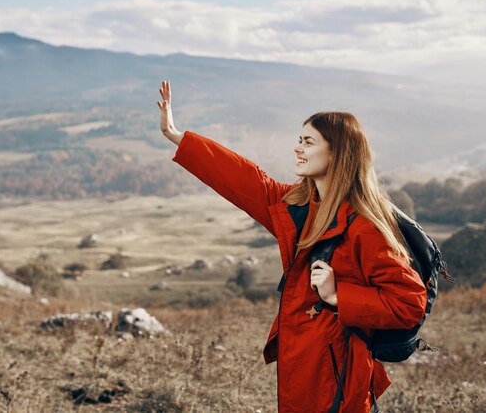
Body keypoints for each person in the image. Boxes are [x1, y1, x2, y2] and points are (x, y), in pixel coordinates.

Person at [156, 80, 427, 413]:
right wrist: (178, 136)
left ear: (337, 152)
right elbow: (245, 179)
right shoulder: (301, 207)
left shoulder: (365, 227)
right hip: (302, 361)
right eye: (299, 140)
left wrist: (337, 295)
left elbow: (409, 303)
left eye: (308, 141)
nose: (298, 148)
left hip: (338, 374)